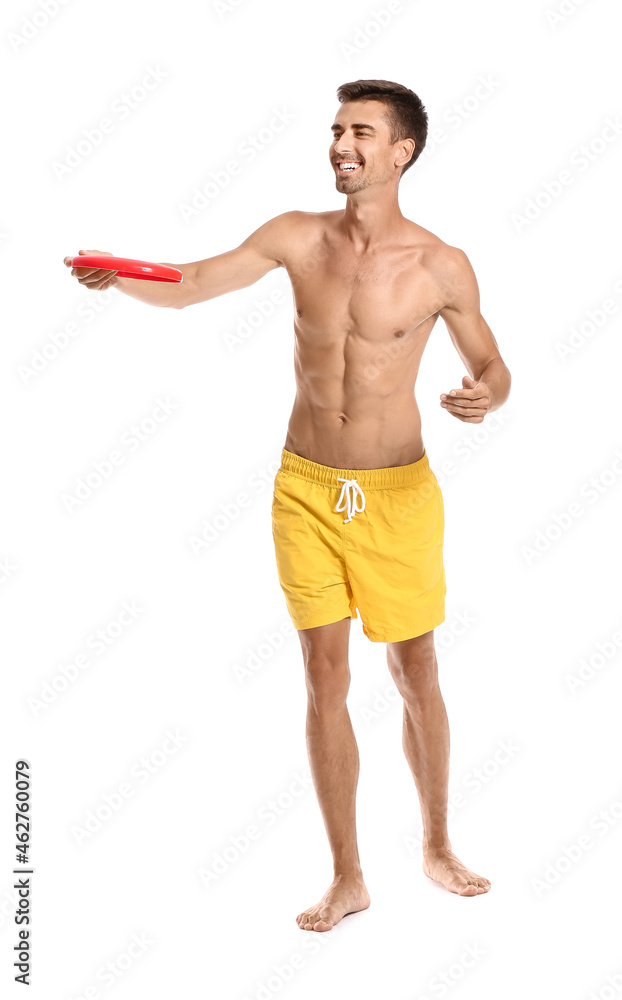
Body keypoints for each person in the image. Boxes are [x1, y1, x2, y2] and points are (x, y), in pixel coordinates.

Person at [64, 78, 511, 932]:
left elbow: (494, 364)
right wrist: (118, 276)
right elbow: (192, 281)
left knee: (416, 671)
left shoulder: (440, 264)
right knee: (324, 678)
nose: (342, 144)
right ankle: (347, 876)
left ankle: (438, 844)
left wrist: (486, 394)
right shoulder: (295, 237)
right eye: (337, 129)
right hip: (305, 488)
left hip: (397, 495)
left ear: (401, 151)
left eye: (362, 133)